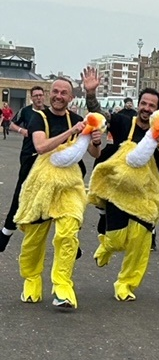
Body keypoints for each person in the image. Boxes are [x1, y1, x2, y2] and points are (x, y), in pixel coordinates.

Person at [13, 76, 103, 309]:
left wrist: (94, 141)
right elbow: (41, 146)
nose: (58, 96)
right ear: (49, 93)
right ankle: (32, 280)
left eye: (64, 93)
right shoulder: (38, 118)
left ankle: (63, 286)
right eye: (55, 91)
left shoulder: (78, 118)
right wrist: (72, 131)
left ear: (71, 97)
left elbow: (94, 154)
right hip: (41, 184)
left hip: (69, 184)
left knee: (68, 233)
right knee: (33, 240)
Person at [88, 86, 159, 302]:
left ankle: (125, 283)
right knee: (117, 239)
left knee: (140, 242)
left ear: (157, 110)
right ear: (138, 105)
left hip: (145, 194)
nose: (146, 109)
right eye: (143, 104)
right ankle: (107, 245)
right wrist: (90, 94)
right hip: (119, 190)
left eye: (151, 106)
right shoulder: (123, 121)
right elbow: (100, 114)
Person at [0, 87, 47, 252]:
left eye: (41, 95)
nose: (39, 98)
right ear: (32, 98)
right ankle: (7, 231)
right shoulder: (26, 112)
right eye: (35, 96)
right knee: (22, 191)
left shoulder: (49, 113)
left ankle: (69, 241)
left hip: (47, 157)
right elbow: (11, 123)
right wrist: (22, 130)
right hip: (28, 155)